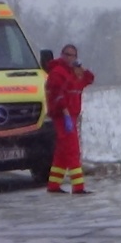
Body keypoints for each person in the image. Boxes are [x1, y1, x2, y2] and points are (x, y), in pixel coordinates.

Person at [45, 44, 96, 194]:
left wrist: (81, 70)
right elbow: (58, 96)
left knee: (61, 153)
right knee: (73, 151)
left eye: (72, 55)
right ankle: (78, 187)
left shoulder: (73, 73)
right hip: (63, 117)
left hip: (72, 116)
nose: (69, 57)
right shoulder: (57, 73)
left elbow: (89, 79)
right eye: (67, 54)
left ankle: (53, 185)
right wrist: (66, 114)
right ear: (61, 55)